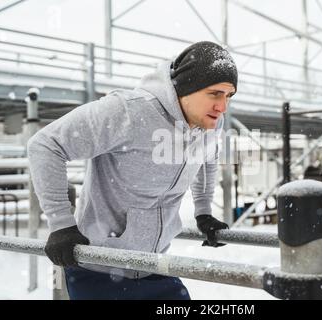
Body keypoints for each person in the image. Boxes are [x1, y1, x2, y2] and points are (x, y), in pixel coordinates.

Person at [27, 41, 238, 300]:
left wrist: (204, 210)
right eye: (215, 93)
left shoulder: (211, 123)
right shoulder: (127, 110)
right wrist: (61, 223)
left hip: (153, 264)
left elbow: (208, 155)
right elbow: (46, 145)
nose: (222, 106)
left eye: (229, 96)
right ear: (187, 88)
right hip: (100, 267)